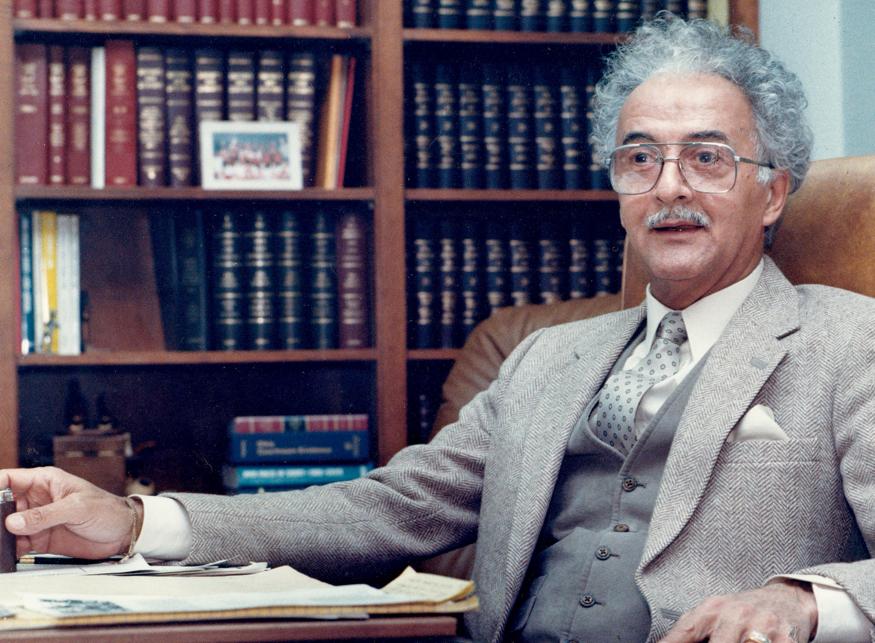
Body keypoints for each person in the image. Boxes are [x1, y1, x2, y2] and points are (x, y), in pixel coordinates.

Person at [3, 14, 875, 643]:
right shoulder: (546, 357)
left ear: (773, 190)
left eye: (707, 156)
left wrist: (803, 600)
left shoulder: (848, 343)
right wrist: (131, 522)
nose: (670, 185)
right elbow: (387, 507)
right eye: (639, 157)